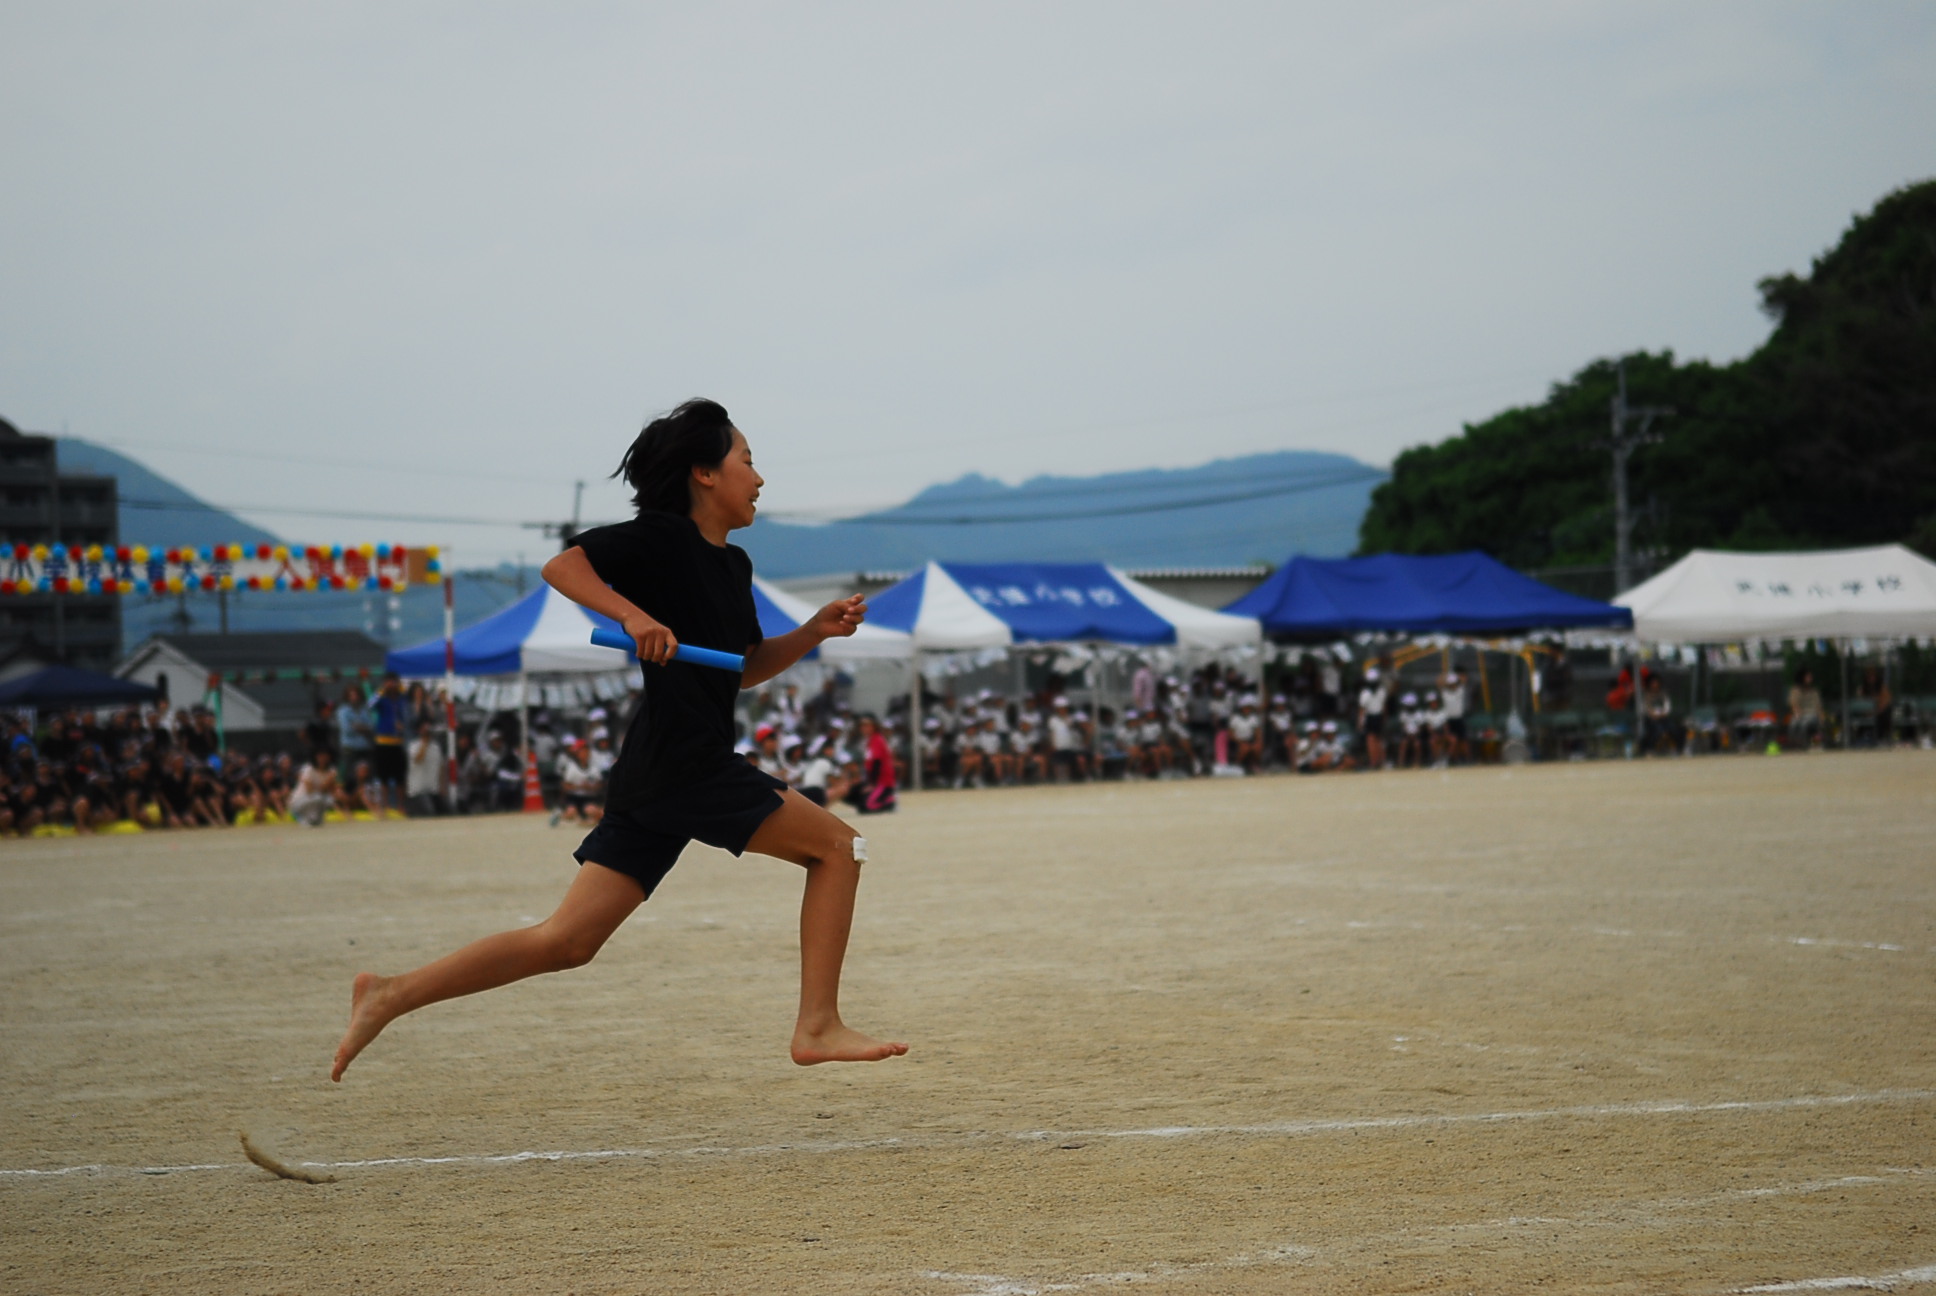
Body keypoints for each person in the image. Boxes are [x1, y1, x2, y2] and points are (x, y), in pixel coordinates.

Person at [331, 397, 905, 1083]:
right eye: (747, 461)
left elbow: (742, 669)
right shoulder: (659, 539)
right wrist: (634, 617)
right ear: (704, 474)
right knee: (840, 848)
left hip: (660, 769)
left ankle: (390, 993)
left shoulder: (734, 567)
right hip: (689, 765)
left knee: (567, 941)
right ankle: (816, 1026)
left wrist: (813, 632)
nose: (759, 477)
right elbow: (564, 567)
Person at [1357, 666, 1388, 769]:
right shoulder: (1366, 693)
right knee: (1372, 740)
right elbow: (1362, 710)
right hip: (1371, 717)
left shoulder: (1379, 692)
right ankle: (1375, 762)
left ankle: (1379, 762)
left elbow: (1383, 707)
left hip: (1376, 717)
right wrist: (1361, 721)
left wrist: (1360, 722)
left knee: (1377, 740)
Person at [1788, 669, 1826, 749]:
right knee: (1793, 723)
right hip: (1800, 714)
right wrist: (1798, 714)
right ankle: (1793, 744)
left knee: (1804, 724)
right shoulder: (1796, 691)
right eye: (1808, 677)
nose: (1810, 679)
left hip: (1812, 715)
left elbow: (1818, 706)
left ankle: (1803, 744)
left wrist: (1822, 718)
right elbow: (1794, 704)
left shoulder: (1814, 692)